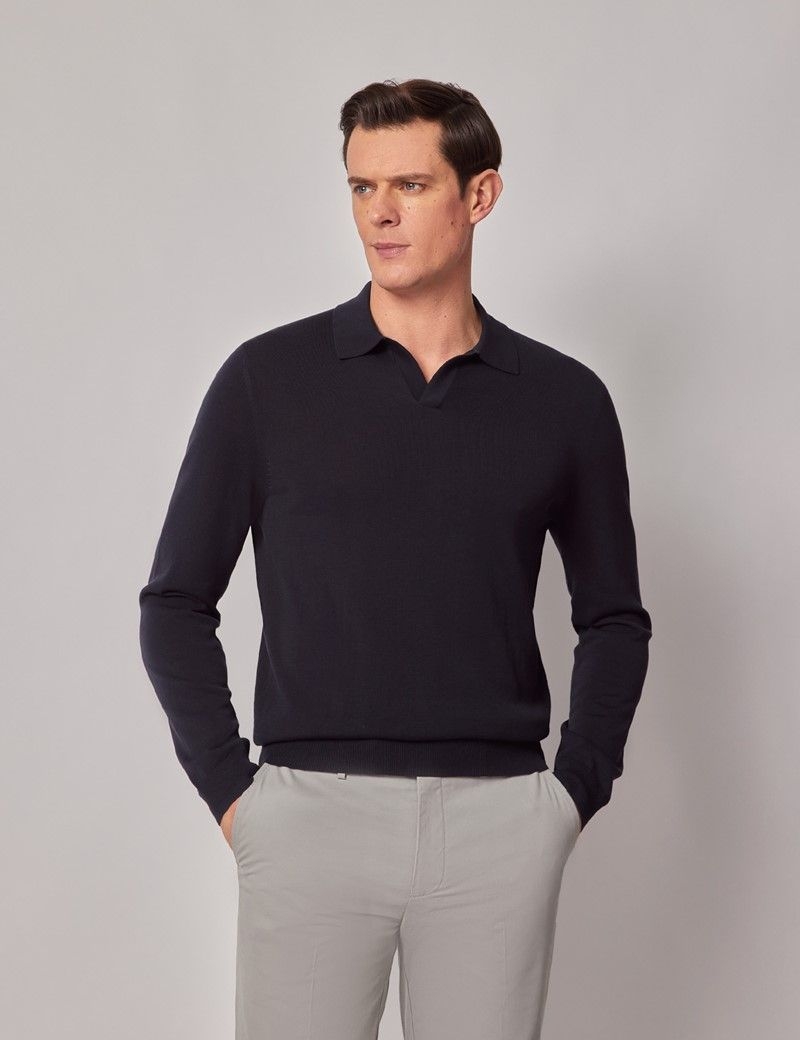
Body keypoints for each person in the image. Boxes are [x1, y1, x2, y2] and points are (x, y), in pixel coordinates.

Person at [139, 77, 652, 1040]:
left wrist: (572, 793)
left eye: (410, 185)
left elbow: (614, 618)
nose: (379, 212)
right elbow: (174, 602)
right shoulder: (266, 381)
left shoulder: (564, 401)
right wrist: (236, 795)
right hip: (307, 817)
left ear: (479, 194)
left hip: (501, 823)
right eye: (361, 187)